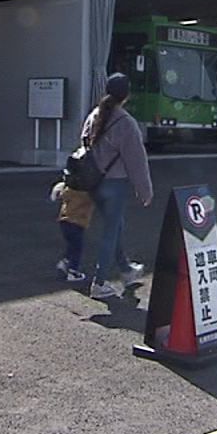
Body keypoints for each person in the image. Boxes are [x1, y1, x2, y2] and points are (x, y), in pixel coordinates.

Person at [82, 73, 154, 300]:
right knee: (111, 231)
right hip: (115, 184)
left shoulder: (95, 115)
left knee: (116, 225)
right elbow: (137, 161)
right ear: (127, 95)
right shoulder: (126, 123)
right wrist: (145, 191)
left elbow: (84, 142)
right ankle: (100, 282)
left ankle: (125, 269)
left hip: (93, 182)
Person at [51, 180, 92, 283]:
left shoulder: (69, 189)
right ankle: (72, 271)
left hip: (64, 220)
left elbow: (59, 195)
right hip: (77, 222)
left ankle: (65, 262)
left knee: (72, 245)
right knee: (77, 248)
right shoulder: (88, 192)